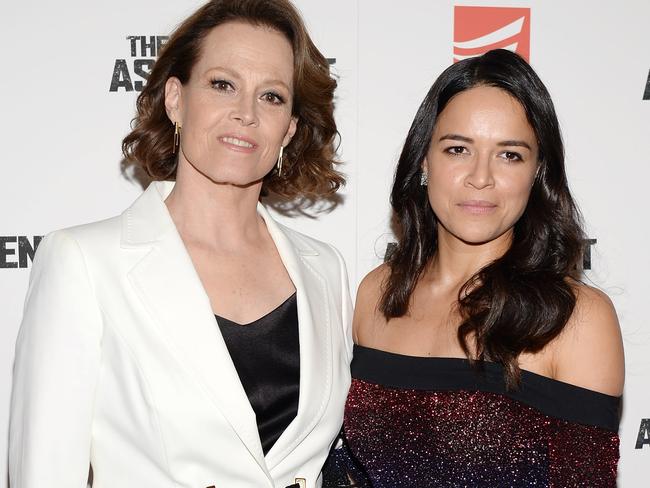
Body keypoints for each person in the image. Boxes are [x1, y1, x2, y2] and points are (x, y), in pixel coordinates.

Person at [9, 1, 353, 487]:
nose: (246, 114)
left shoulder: (327, 271)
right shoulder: (84, 263)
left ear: (290, 128)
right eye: (222, 84)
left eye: (272, 96)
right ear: (176, 99)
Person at [324, 49, 624, 487]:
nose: (480, 176)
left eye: (509, 155)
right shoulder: (379, 294)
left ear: (538, 172)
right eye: (458, 148)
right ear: (425, 161)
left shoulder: (576, 319)